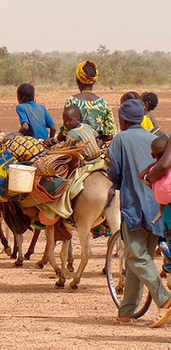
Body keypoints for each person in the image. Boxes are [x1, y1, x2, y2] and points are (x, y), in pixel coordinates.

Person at [107, 99, 171, 328]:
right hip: (156, 206)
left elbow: (113, 170)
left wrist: (114, 184)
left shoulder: (120, 139)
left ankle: (164, 297)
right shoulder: (153, 137)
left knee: (135, 255)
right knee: (141, 255)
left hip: (134, 205)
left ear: (123, 120)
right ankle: (126, 311)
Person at [64, 60, 117, 143]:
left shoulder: (71, 101)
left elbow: (65, 131)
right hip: (97, 150)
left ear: (78, 79)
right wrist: (96, 146)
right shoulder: (104, 104)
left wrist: (52, 141)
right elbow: (109, 135)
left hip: (75, 149)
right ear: (94, 81)